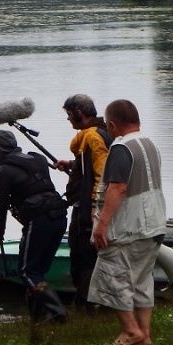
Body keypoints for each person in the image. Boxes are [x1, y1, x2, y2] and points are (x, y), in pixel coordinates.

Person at [89, 99, 167, 345]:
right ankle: (145, 336)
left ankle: (131, 331)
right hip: (154, 222)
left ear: (112, 125)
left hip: (129, 226)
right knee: (143, 280)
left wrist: (102, 224)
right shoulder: (150, 143)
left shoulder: (121, 148)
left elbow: (118, 188)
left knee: (112, 275)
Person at [0, 129, 69, 321]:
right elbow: (32, 187)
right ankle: (39, 318)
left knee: (26, 271)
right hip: (59, 217)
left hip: (39, 220)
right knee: (38, 272)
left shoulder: (4, 171)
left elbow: (1, 205)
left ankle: (57, 312)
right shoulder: (38, 158)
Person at [54, 94, 112, 307]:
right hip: (88, 208)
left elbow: (103, 175)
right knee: (86, 256)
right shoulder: (100, 132)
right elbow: (93, 164)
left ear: (79, 112)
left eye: (70, 114)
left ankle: (87, 305)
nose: (68, 118)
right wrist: (72, 164)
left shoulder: (93, 137)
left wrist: (95, 209)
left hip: (87, 211)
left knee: (83, 257)